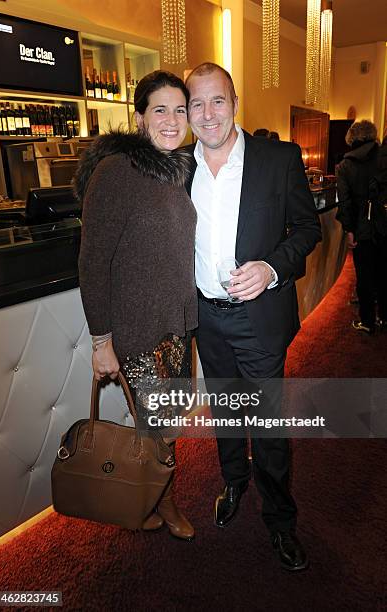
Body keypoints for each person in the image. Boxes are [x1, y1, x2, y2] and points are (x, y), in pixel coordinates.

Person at [184, 62, 321, 570]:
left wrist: (271, 268)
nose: (208, 113)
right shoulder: (179, 169)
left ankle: (281, 520)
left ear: (235, 102)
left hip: (259, 317)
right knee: (224, 412)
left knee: (266, 423)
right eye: (196, 103)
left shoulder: (278, 159)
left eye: (217, 100)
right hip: (206, 317)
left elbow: (308, 230)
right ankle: (233, 483)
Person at [74, 70, 198, 541]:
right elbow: (92, 263)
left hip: (179, 326)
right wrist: (101, 341)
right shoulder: (117, 171)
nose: (171, 120)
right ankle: (162, 503)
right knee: (159, 427)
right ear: (139, 116)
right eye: (159, 109)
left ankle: (151, 494)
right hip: (139, 332)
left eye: (179, 109)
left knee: (168, 420)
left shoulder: (175, 169)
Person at [336, 120, 386, 334]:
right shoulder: (383, 157)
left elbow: (345, 202)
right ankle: (384, 317)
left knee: (364, 276)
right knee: (384, 273)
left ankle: (367, 321)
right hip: (384, 223)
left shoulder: (346, 165)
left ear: (352, 138)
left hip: (361, 227)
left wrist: (349, 230)